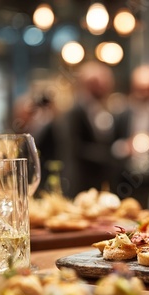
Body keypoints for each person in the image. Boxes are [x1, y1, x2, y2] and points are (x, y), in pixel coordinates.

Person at [35, 61, 119, 198]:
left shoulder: (107, 110)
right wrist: (114, 153)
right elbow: (75, 148)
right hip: (81, 182)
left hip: (102, 181)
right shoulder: (74, 112)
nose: (103, 86)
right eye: (97, 82)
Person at [112, 64, 149, 208]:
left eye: (148, 89)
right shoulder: (122, 114)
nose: (144, 94)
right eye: (140, 89)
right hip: (126, 179)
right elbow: (112, 146)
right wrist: (126, 146)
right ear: (133, 88)